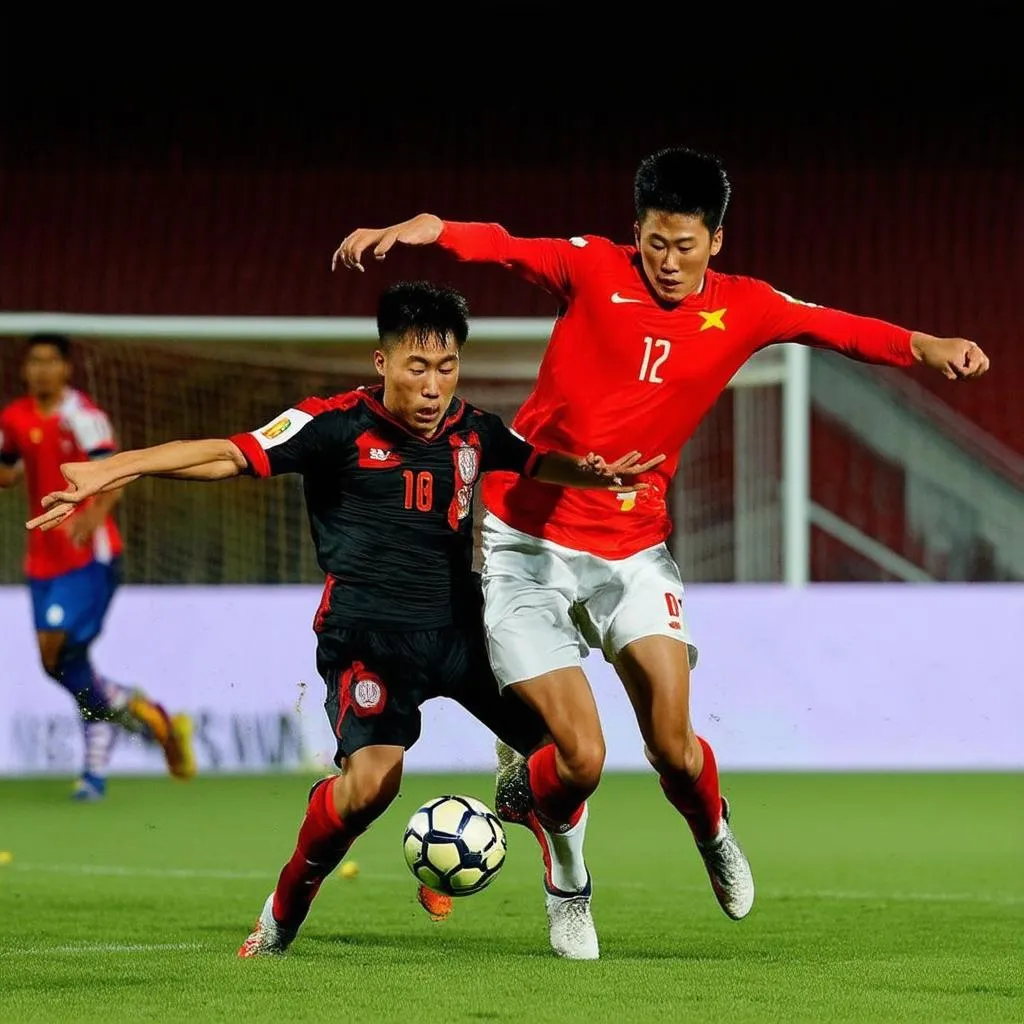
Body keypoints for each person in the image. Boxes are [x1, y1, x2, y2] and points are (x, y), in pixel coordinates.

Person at [331, 146, 992, 951]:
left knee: (674, 750)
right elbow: (501, 242)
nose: (668, 262)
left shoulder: (746, 307)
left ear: (717, 240)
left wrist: (924, 344)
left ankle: (712, 830)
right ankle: (568, 882)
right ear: (635, 231)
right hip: (527, 540)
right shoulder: (591, 269)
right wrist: (422, 229)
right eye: (654, 243)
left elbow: (833, 326)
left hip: (633, 549)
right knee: (579, 757)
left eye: (685, 245)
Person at [28, 282, 661, 960]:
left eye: (446, 368)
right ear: (381, 362)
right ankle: (279, 917)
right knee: (367, 791)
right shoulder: (332, 424)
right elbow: (228, 454)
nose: (432, 386)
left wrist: (599, 479)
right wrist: (117, 469)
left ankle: (564, 882)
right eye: (417, 368)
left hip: (462, 631)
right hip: (367, 640)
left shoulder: (474, 430)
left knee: (573, 756)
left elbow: (536, 462)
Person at [1, 334, 196, 800]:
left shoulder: (83, 416)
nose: (42, 370)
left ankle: (130, 728)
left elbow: (118, 471)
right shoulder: (13, 417)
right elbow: (7, 474)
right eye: (35, 362)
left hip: (90, 555)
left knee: (55, 649)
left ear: (67, 369)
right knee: (63, 666)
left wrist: (91, 516)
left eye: (51, 361)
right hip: (41, 558)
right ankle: (134, 726)